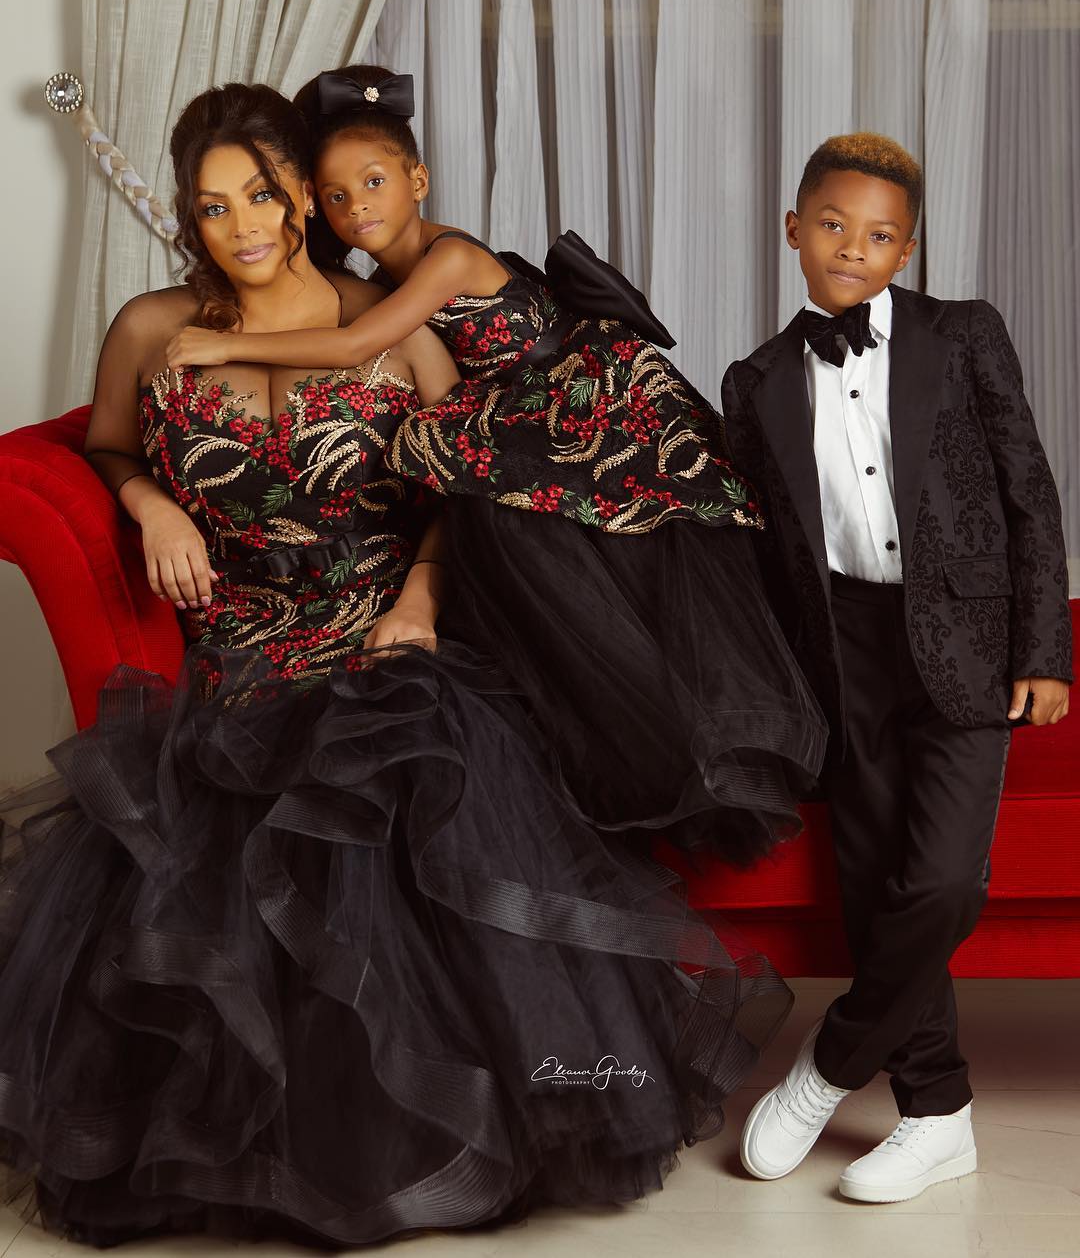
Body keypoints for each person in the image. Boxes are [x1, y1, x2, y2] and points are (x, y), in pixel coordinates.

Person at [0, 82, 793, 1247]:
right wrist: (148, 504)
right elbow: (111, 443)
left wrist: (419, 605)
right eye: (213, 207)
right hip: (240, 649)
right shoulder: (149, 327)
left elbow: (469, 491)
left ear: (303, 197)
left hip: (385, 638)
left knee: (393, 803)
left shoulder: (396, 322)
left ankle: (419, 1144)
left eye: (262, 195)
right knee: (223, 834)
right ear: (187, 217)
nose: (243, 226)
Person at [164, 64, 828, 867]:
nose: (357, 207)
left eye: (373, 183)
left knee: (570, 554)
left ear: (418, 180)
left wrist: (226, 346)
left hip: (585, 399)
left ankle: (702, 743)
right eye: (337, 196)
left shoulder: (444, 257)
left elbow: (354, 344)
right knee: (513, 551)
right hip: (520, 417)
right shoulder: (380, 275)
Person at [724, 132, 1072, 1204]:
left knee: (943, 882)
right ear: (794, 228)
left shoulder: (963, 334)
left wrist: (1044, 650)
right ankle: (936, 1114)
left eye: (879, 236)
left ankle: (830, 1061)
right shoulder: (756, 381)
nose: (852, 248)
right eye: (833, 226)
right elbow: (765, 553)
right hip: (845, 652)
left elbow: (1028, 489)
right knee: (877, 889)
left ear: (906, 250)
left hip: (968, 647)